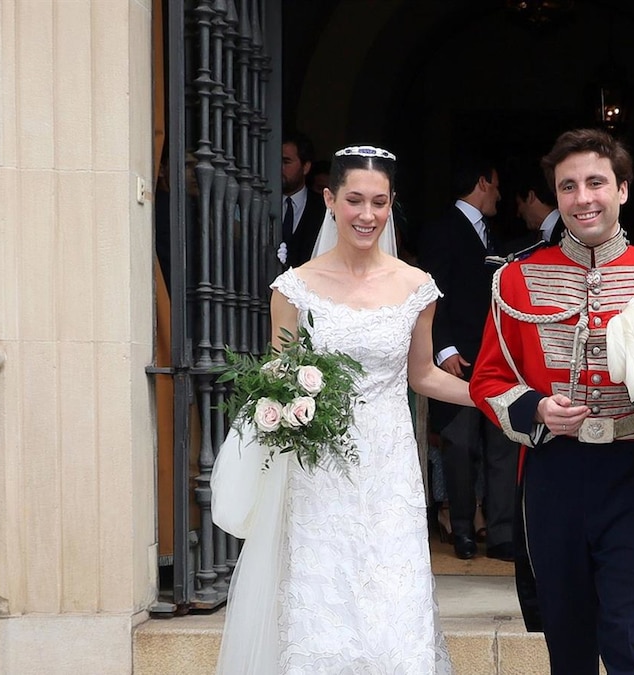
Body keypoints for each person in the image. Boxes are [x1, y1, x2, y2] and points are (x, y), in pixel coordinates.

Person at [470, 129, 634, 675]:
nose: (582, 197)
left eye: (595, 182)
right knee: (567, 643)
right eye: (567, 186)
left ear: (622, 189)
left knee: (632, 637)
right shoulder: (516, 279)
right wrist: (539, 410)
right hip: (553, 474)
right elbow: (489, 379)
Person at [215, 145, 470, 674]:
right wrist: (284, 406)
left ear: (392, 204)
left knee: (390, 602)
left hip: (389, 468)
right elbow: (279, 374)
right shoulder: (294, 288)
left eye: (379, 202)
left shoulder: (416, 287)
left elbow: (421, 375)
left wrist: (497, 397)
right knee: (323, 600)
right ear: (330, 199)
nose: (367, 215)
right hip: (319, 467)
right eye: (354, 200)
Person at [417, 156, 519, 562]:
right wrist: (443, 348)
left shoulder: (493, 235)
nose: (499, 194)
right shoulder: (440, 230)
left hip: (499, 358)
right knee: (459, 447)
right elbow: (429, 292)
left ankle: (501, 534)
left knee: (503, 444)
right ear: (482, 181)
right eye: (495, 186)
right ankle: (461, 530)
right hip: (456, 359)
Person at [278, 131, 326, 268]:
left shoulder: (324, 209)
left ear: (306, 167)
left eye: (286, 162)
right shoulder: (259, 202)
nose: (279, 168)